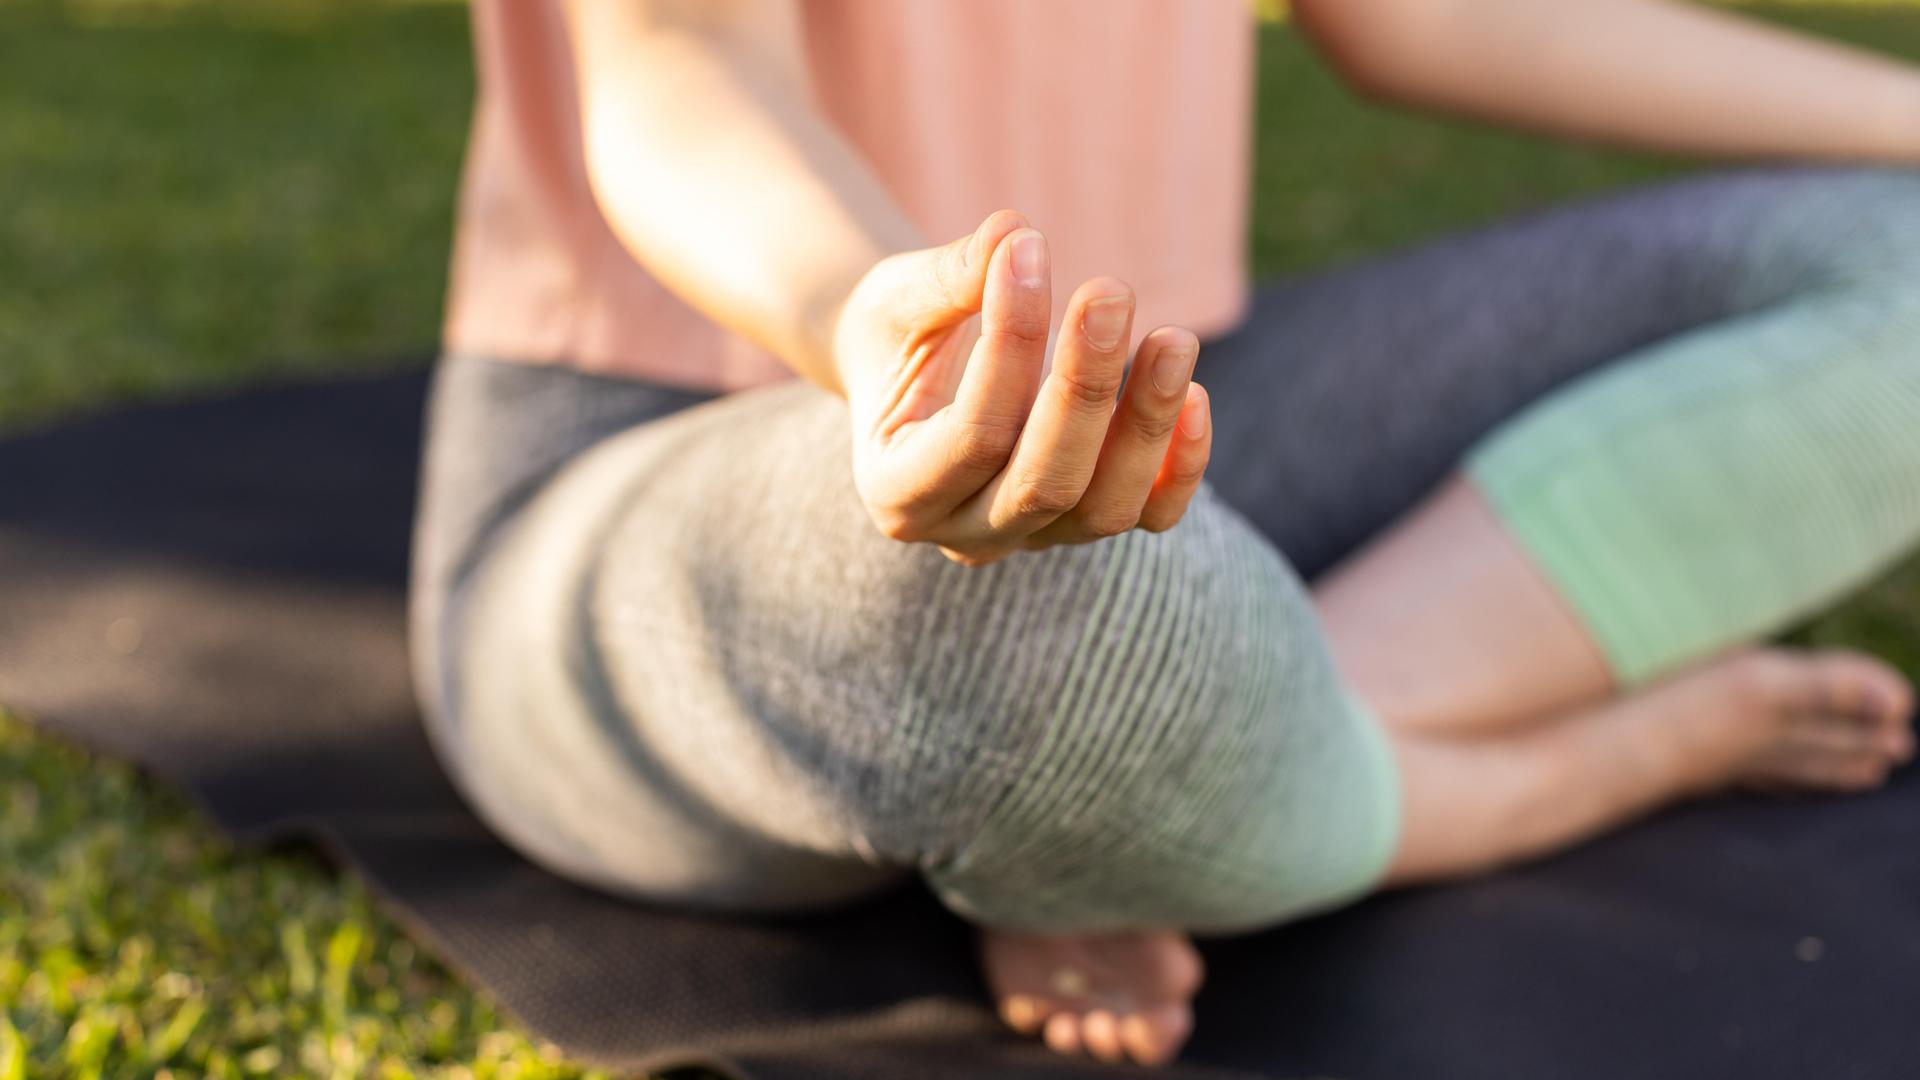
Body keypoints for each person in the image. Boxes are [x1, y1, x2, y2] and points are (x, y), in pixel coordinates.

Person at [409, 0, 1920, 1066]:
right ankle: (1533, 776)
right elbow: (678, 61)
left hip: (1169, 404)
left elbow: (1431, 18)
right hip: (668, 456)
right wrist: (871, 328)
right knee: (982, 600)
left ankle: (1173, 779)